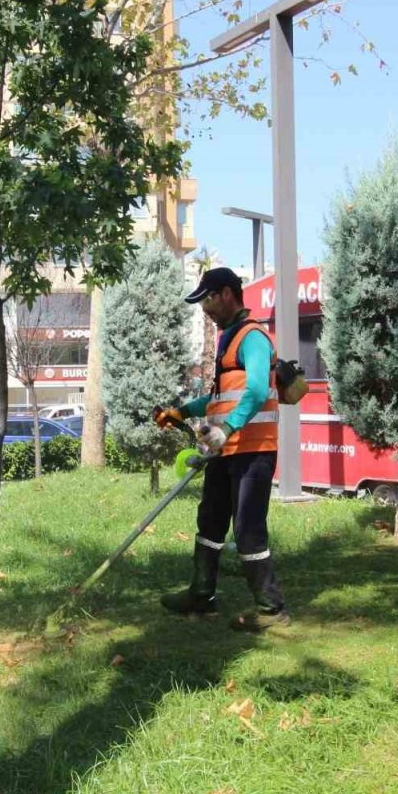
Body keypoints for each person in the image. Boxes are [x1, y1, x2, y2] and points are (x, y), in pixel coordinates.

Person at [153, 266, 288, 632]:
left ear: (227, 293)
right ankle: (201, 595)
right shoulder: (228, 340)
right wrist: (180, 411)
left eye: (208, 300)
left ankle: (271, 610)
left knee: (247, 530)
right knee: (210, 522)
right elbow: (220, 399)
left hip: (253, 451)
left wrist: (226, 429)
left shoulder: (253, 338)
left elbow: (258, 391)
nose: (205, 310)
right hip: (226, 451)